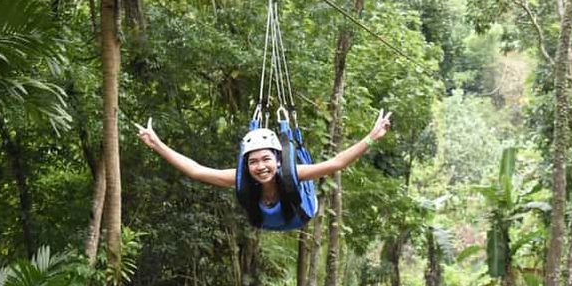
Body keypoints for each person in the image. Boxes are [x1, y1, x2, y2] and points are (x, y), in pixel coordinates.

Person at [135, 110, 392, 228]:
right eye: (253, 161)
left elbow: (336, 163)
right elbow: (196, 171)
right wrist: (156, 144)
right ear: (246, 164)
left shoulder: (291, 174)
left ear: (278, 160)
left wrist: (371, 137)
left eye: (266, 159)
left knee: (295, 178)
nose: (260, 167)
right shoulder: (242, 179)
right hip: (266, 222)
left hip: (300, 215)